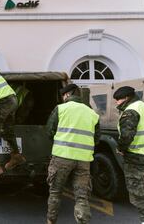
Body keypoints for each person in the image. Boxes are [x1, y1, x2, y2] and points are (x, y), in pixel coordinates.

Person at [45, 84, 100, 224]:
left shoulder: (61, 108)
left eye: (63, 95)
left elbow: (49, 131)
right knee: (82, 196)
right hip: (84, 160)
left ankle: (51, 221)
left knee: (56, 192)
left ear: (67, 95)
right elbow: (96, 138)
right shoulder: (92, 113)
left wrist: (61, 141)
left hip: (62, 157)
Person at [113, 86, 144, 224]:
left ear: (126, 98)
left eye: (118, 99)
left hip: (138, 159)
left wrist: (120, 148)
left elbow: (126, 136)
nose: (116, 102)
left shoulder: (131, 111)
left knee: (142, 197)